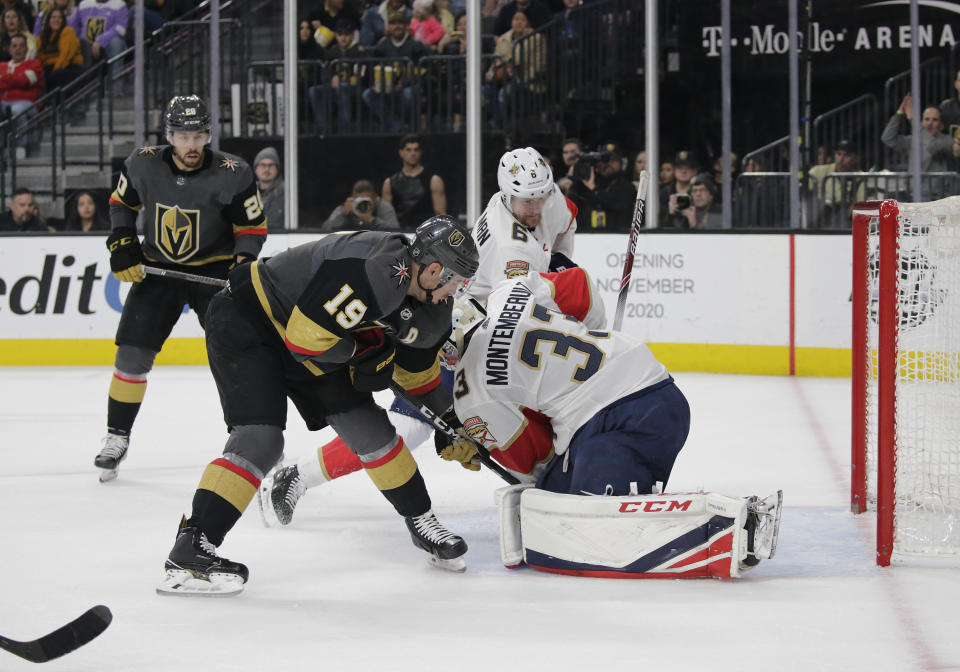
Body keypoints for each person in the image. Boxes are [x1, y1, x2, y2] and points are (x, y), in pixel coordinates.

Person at [157, 216, 480, 595]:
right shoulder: (376, 269)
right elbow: (305, 341)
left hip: (319, 338)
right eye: (456, 280)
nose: (456, 291)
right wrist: (364, 352)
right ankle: (191, 549)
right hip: (250, 318)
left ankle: (422, 522)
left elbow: (417, 380)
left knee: (371, 430)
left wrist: (450, 425)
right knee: (260, 440)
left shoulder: (432, 309)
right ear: (434, 270)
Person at [257, 146, 576, 526]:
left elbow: (565, 219)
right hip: (465, 330)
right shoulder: (511, 249)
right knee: (412, 426)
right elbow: (521, 313)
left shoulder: (546, 199)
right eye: (527, 199)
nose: (536, 206)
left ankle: (550, 481)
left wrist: (562, 263)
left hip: (485, 321)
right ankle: (298, 476)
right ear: (507, 194)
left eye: (541, 195)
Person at [438, 270, 781, 577]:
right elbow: (580, 284)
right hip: (660, 389)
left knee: (566, 508)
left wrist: (484, 439)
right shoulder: (508, 291)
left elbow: (533, 459)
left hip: (615, 427)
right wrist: (593, 333)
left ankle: (727, 524)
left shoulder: (471, 391)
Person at [93, 95, 267, 482]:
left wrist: (243, 263)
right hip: (157, 272)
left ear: (209, 134)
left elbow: (252, 228)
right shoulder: (142, 163)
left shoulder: (233, 171)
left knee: (235, 357)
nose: (192, 145)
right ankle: (116, 436)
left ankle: (252, 438)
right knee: (132, 356)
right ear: (169, 136)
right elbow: (121, 203)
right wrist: (122, 241)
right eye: (184, 136)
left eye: (200, 135)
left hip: (213, 274)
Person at [361, 11, 431, 133]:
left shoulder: (415, 45)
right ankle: (396, 125)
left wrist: (403, 83)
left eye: (400, 23)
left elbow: (422, 70)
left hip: (410, 86)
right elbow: (373, 68)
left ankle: (399, 126)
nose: (397, 26)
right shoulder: (382, 46)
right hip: (386, 87)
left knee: (407, 94)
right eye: (393, 23)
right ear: (389, 27)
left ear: (406, 26)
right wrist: (376, 83)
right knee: (367, 94)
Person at [381, 134, 447, 231]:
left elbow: (441, 215)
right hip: (399, 234)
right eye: (408, 150)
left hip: (426, 235)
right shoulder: (389, 183)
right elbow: (385, 218)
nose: (413, 153)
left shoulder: (434, 180)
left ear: (420, 152)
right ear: (401, 152)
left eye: (416, 150)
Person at [307, 18, 362, 134]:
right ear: (336, 35)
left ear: (352, 35)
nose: (343, 38)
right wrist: (331, 77)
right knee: (314, 90)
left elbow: (362, 74)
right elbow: (326, 70)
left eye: (346, 34)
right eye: (340, 34)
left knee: (343, 88)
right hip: (334, 87)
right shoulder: (333, 50)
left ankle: (344, 129)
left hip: (353, 88)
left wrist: (349, 79)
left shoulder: (360, 51)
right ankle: (323, 127)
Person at [565, 142, 636, 231]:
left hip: (618, 238)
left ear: (621, 163)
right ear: (597, 163)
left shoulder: (627, 187)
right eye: (604, 159)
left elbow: (618, 205)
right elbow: (569, 210)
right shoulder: (583, 185)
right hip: (586, 237)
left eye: (614, 159)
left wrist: (594, 189)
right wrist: (574, 179)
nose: (608, 163)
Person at [881, 93, 956, 173]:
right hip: (914, 185)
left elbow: (931, 145)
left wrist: (912, 118)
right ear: (922, 122)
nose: (930, 123)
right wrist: (899, 113)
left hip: (937, 185)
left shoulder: (948, 140)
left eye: (935, 120)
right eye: (927, 119)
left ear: (942, 125)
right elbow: (888, 138)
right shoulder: (913, 140)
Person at [69, 0, 128, 93]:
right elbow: (72, 27)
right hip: (85, 45)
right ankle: (83, 91)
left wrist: (100, 40)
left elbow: (120, 29)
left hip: (107, 45)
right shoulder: (84, 4)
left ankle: (115, 90)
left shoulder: (119, 5)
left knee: (116, 43)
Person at [808, 139, 865, 229]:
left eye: (846, 155)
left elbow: (861, 208)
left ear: (856, 159)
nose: (841, 159)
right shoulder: (817, 171)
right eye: (838, 154)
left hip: (844, 224)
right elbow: (802, 194)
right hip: (815, 221)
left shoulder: (860, 178)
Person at [0, 33, 42, 154]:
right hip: (3, 103)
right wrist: (14, 79)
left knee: (16, 110)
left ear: (26, 49)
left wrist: (3, 79)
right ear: (9, 49)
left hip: (26, 103)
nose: (18, 49)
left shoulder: (34, 64)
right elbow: (18, 80)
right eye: (14, 46)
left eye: (21, 46)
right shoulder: (1, 66)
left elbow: (25, 81)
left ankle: (20, 146)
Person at [321, 178, 400, 232]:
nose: (363, 205)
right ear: (353, 198)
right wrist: (343, 214)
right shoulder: (347, 207)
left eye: (366, 201)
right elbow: (325, 229)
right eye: (359, 201)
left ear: (375, 198)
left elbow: (395, 230)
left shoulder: (383, 206)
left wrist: (372, 220)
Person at [35, 7, 83, 92]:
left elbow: (65, 56)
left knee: (55, 76)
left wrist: (53, 72)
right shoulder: (42, 37)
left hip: (68, 67)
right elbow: (38, 57)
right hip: (50, 69)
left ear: (63, 20)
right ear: (48, 20)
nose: (56, 20)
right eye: (53, 17)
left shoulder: (68, 31)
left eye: (59, 17)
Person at [660, 150, 697, 227]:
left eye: (688, 168)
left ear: (695, 171)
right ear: (674, 170)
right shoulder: (664, 193)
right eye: (679, 168)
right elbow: (658, 224)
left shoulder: (698, 192)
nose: (684, 171)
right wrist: (670, 213)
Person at [253, 146, 284, 231]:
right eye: (263, 165)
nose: (267, 169)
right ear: (256, 169)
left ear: (277, 169)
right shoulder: (248, 192)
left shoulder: (284, 192)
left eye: (271, 165)